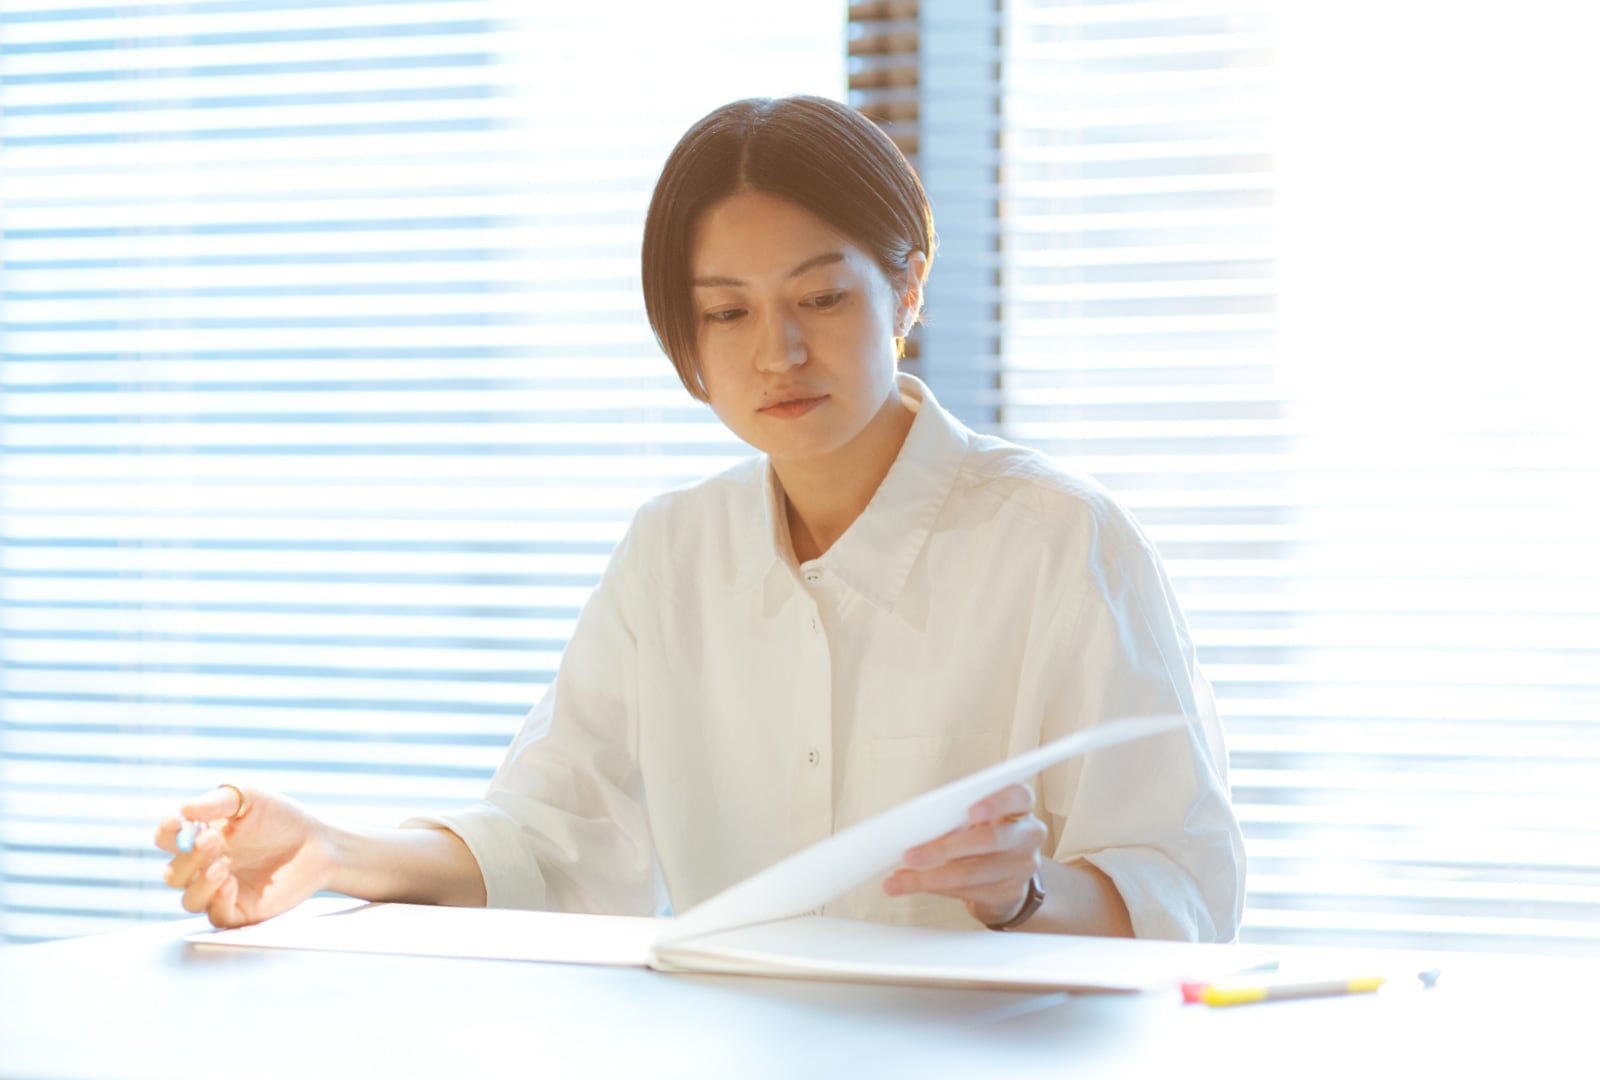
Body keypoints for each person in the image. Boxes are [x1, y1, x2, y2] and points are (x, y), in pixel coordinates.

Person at [154, 95, 1245, 941]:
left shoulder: (1058, 540)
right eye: (728, 313)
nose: (778, 352)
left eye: (821, 297)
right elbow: (552, 841)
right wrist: (333, 852)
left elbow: (1183, 886)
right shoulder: (671, 554)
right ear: (686, 345)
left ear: (905, 293)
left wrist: (1024, 893)